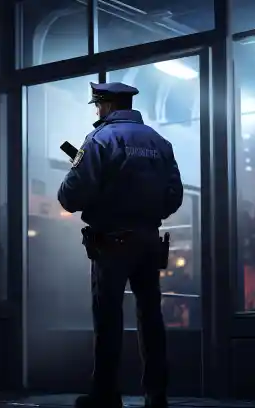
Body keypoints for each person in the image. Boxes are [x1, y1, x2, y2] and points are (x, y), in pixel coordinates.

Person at [57, 82, 184, 408]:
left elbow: (71, 195)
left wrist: (80, 174)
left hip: (111, 240)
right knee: (151, 316)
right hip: (147, 239)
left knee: (108, 317)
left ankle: (105, 394)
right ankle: (157, 395)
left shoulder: (99, 140)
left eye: (97, 106)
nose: (97, 112)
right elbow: (174, 195)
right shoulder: (160, 142)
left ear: (107, 105)